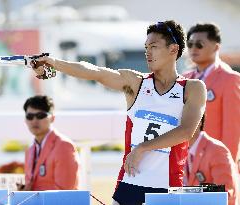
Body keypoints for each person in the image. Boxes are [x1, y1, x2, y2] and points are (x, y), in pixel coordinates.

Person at [30, 20, 206, 205]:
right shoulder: (135, 82)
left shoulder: (192, 88)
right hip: (130, 182)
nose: (148, 52)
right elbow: (95, 72)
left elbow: (186, 131)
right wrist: (54, 63)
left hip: (168, 186)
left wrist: (142, 148)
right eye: (146, 47)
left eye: (153, 46)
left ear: (173, 49)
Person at [183, 23, 240, 166]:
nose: (193, 49)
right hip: (183, 162)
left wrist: (226, 166)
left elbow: (232, 131)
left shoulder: (230, 79)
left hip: (212, 163)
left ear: (216, 47)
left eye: (199, 44)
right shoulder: (184, 79)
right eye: (190, 44)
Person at [17, 95, 80, 191]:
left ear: (52, 118)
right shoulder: (30, 151)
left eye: (40, 115)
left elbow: (65, 193)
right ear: (25, 120)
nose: (34, 121)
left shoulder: (64, 146)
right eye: (30, 116)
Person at [184, 113, 239, 205]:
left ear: (199, 121)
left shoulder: (216, 150)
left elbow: (225, 193)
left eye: (183, 118)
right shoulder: (182, 151)